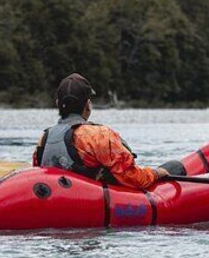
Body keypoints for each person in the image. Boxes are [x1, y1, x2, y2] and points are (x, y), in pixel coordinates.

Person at [33, 73, 185, 188]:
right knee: (175, 167)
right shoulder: (99, 136)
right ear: (88, 104)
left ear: (58, 104)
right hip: (93, 206)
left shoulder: (44, 139)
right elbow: (132, 177)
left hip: (58, 203)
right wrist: (157, 173)